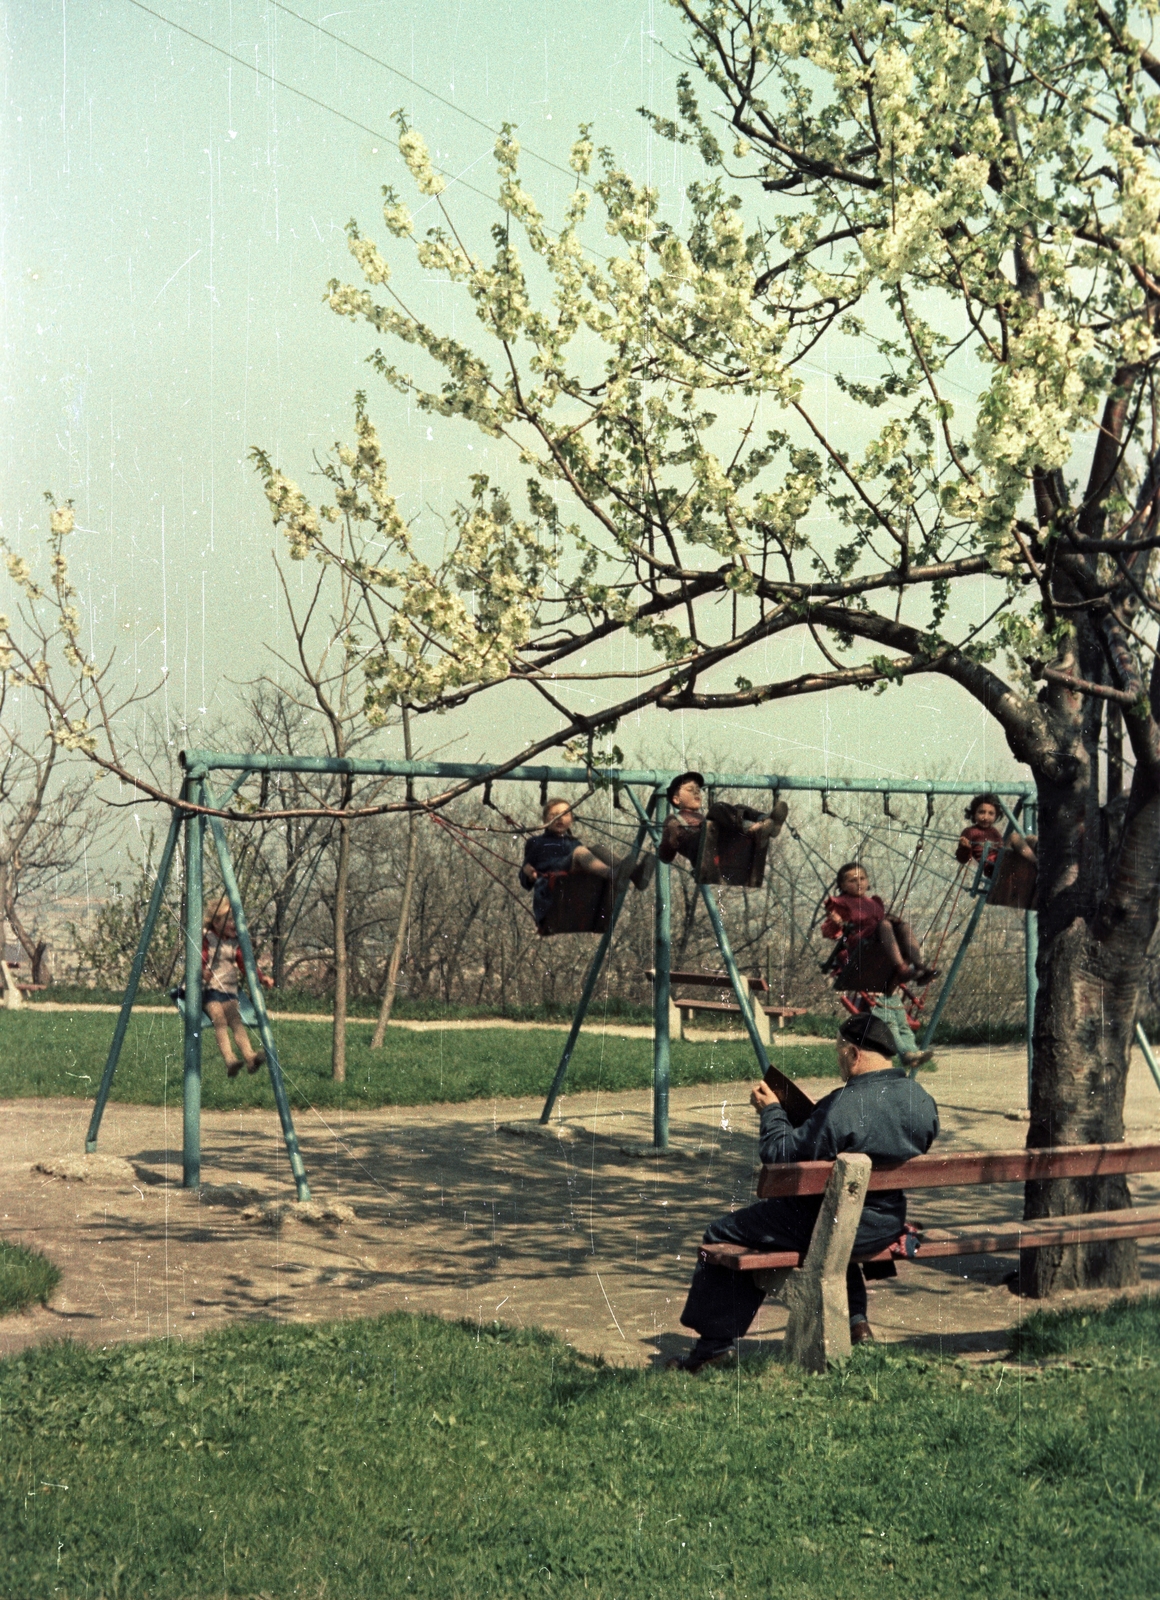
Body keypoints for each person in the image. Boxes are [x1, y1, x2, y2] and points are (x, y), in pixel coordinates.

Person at [668, 1012, 939, 1372]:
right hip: (884, 1224)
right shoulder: (920, 1099)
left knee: (722, 1234)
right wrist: (816, 1117)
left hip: (837, 1226)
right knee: (838, 1227)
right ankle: (856, 1322)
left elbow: (779, 1156)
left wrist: (772, 1113)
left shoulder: (844, 1104)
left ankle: (713, 1349)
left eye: (839, 1050)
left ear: (854, 1055)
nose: (838, 1058)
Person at [821, 861, 935, 1066]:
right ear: (842, 885)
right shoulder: (841, 903)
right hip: (861, 948)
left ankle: (919, 966)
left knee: (902, 924)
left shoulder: (874, 903)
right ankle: (902, 968)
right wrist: (836, 921)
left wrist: (892, 921)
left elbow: (886, 926)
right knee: (888, 1020)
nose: (858, 883)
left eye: (862, 878)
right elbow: (831, 930)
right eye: (852, 880)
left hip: (880, 953)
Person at [520, 799, 654, 934]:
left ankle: (636, 875)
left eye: (564, 814)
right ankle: (613, 874)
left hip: (574, 883)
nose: (559, 819)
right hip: (553, 883)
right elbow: (525, 875)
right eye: (553, 815)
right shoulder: (536, 842)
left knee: (597, 848)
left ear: (571, 820)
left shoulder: (573, 842)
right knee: (580, 851)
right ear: (544, 820)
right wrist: (529, 874)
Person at [201, 896, 274, 1078]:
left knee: (236, 1022)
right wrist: (202, 972)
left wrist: (261, 977)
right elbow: (199, 959)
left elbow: (246, 965)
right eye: (229, 920)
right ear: (216, 922)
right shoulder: (207, 939)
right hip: (209, 990)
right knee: (219, 1020)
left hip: (229, 991)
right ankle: (230, 1059)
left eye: (235, 920)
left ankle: (249, 1057)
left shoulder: (235, 943)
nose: (234, 924)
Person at [658, 771, 789, 868]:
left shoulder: (702, 818)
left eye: (698, 790)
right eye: (690, 790)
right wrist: (671, 837)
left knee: (739, 808)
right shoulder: (674, 819)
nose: (697, 792)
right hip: (701, 852)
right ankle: (755, 829)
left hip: (718, 849)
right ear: (676, 799)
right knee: (717, 808)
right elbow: (665, 856)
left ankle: (765, 821)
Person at [956, 793, 1037, 874]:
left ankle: (1043, 859)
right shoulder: (969, 831)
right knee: (1014, 837)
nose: (985, 817)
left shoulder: (993, 831)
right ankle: (1037, 862)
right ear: (974, 813)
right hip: (991, 866)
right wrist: (965, 848)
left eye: (991, 813)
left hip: (1001, 858)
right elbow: (962, 859)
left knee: (1031, 839)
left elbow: (1001, 847)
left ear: (996, 816)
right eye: (981, 812)